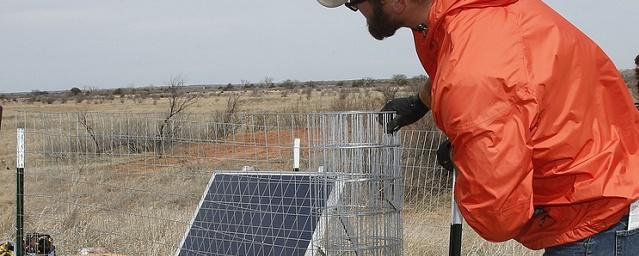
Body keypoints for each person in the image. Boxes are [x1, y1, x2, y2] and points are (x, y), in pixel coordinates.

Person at [317, 0, 639, 254]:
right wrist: (421, 102)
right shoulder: (472, 12)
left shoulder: (474, 71)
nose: (357, 10)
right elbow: (479, 68)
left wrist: (469, 158)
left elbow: (499, 217)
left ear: (398, 1)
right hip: (614, 185)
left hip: (597, 221)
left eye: (354, 1)